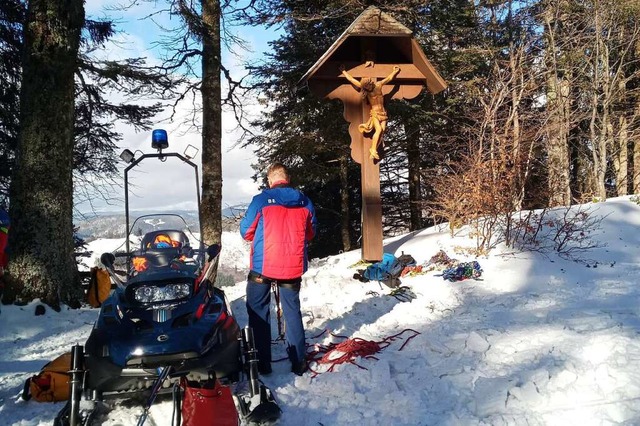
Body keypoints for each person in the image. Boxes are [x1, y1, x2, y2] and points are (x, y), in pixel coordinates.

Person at [240, 163, 317, 375]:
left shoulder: (261, 201)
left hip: (263, 267)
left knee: (258, 311)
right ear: (288, 178)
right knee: (292, 311)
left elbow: (246, 232)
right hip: (292, 266)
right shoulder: (305, 201)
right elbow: (310, 232)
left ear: (269, 180)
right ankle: (298, 361)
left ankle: (262, 362)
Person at [340, 64, 401, 160]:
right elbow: (352, 80)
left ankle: (374, 149)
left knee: (382, 131)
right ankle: (373, 150)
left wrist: (395, 71)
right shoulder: (366, 91)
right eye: (365, 87)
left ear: (370, 82)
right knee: (379, 130)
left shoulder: (379, 85)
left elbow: (389, 78)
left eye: (368, 85)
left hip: (383, 113)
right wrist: (344, 71)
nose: (367, 87)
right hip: (375, 114)